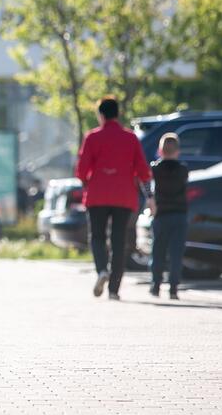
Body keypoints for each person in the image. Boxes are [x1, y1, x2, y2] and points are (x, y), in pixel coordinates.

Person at [75, 96, 151, 300]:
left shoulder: (92, 137)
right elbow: (143, 171)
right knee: (119, 241)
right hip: (124, 196)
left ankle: (101, 270)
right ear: (117, 114)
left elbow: (81, 171)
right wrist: (149, 196)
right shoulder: (131, 138)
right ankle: (114, 290)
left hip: (98, 195)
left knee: (97, 237)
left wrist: (87, 183)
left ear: (101, 115)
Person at [148, 133, 188, 300]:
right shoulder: (183, 169)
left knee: (158, 251)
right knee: (176, 253)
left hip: (161, 214)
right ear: (178, 151)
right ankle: (173, 288)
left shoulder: (155, 168)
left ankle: (156, 285)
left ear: (160, 150)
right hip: (179, 214)